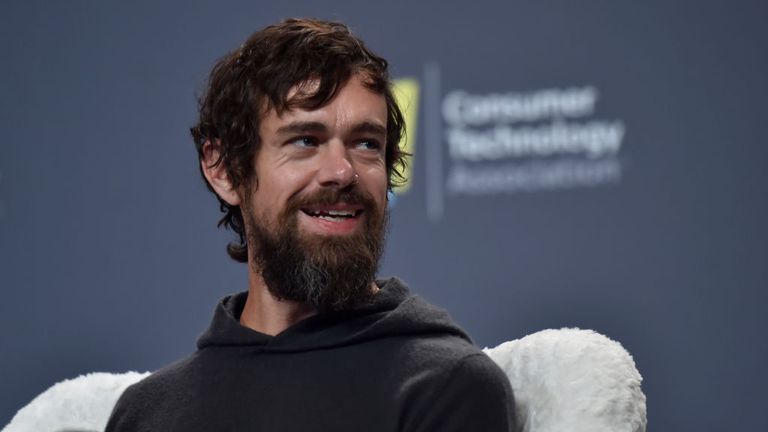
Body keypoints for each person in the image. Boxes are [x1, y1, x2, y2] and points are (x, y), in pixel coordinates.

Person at [106, 18, 515, 431]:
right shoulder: (146, 414)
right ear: (225, 169)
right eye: (306, 141)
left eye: (366, 144)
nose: (341, 171)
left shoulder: (445, 386)